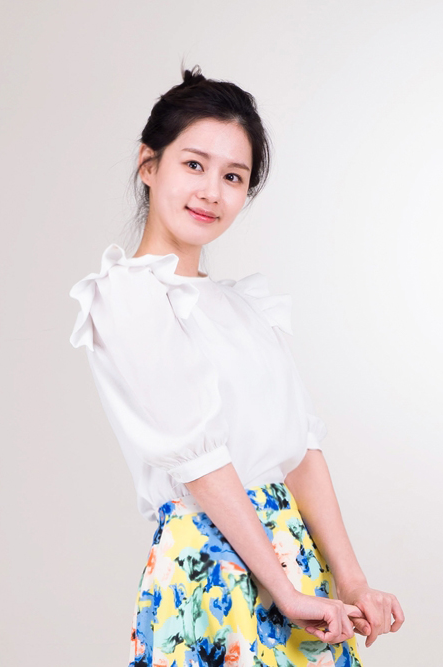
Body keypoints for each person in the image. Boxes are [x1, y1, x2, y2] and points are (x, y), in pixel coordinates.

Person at [68, 64, 404, 666]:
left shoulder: (244, 307)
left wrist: (352, 582)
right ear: (149, 164)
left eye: (232, 176)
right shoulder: (128, 296)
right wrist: (284, 591)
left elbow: (300, 453)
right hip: (213, 569)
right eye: (193, 164)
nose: (211, 192)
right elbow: (201, 463)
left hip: (295, 562)